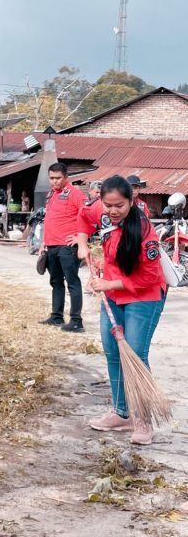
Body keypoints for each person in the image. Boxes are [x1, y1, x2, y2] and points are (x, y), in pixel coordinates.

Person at [77, 175, 166, 446]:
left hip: (144, 295)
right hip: (113, 294)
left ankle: (142, 419)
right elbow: (83, 217)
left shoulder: (145, 232)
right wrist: (82, 245)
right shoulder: (101, 210)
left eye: (120, 206)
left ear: (132, 201)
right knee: (113, 352)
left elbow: (149, 278)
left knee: (136, 353)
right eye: (108, 205)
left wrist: (108, 283)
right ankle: (121, 413)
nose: (113, 211)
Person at [39, 162, 86, 332]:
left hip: (67, 246)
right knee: (56, 282)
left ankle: (76, 320)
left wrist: (80, 239)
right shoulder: (51, 194)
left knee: (72, 282)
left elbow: (88, 216)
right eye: (51, 178)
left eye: (58, 178)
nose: (54, 181)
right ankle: (57, 316)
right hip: (52, 245)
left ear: (66, 177)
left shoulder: (76, 194)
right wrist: (44, 242)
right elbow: (49, 219)